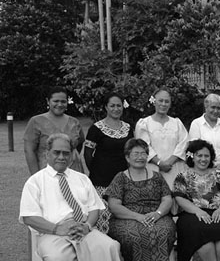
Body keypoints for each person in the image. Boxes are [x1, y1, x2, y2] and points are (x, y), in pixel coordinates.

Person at [20, 133, 122, 261]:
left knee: (109, 246)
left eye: (66, 153)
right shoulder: (35, 181)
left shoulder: (81, 178)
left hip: (83, 228)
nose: (61, 157)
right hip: (51, 232)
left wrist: (87, 225)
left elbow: (94, 207)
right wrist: (57, 228)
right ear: (47, 153)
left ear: (72, 155)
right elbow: (28, 216)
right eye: (57, 152)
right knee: (60, 258)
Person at [106, 138, 176, 261]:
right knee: (133, 235)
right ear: (127, 157)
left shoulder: (157, 176)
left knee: (164, 231)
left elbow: (167, 199)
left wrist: (157, 213)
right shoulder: (120, 178)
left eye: (143, 153)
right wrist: (137, 217)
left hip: (155, 215)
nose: (140, 157)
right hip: (127, 217)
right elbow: (114, 205)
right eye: (135, 153)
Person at [83, 93, 133, 233]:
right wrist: (96, 171)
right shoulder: (96, 128)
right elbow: (87, 154)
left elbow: (131, 152)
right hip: (101, 180)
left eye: (119, 105)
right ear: (106, 107)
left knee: (122, 216)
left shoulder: (128, 128)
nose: (116, 109)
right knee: (103, 216)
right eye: (112, 105)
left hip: (123, 179)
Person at [134, 87, 189, 190]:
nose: (163, 104)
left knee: (176, 196)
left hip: (174, 168)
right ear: (154, 101)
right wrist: (159, 163)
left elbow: (183, 142)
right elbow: (143, 145)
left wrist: (170, 162)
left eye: (167, 101)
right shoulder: (144, 124)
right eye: (160, 100)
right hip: (152, 168)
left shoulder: (176, 123)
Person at [24, 86, 85, 175]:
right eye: (56, 101)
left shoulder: (74, 122)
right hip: (47, 172)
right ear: (48, 101)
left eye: (63, 101)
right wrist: (36, 177)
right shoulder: (36, 121)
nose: (60, 104)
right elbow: (29, 151)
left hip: (73, 171)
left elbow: (79, 143)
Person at [188, 93, 220, 179]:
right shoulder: (196, 124)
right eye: (213, 107)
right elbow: (194, 148)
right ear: (206, 107)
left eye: (219, 108)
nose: (216, 111)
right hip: (203, 170)